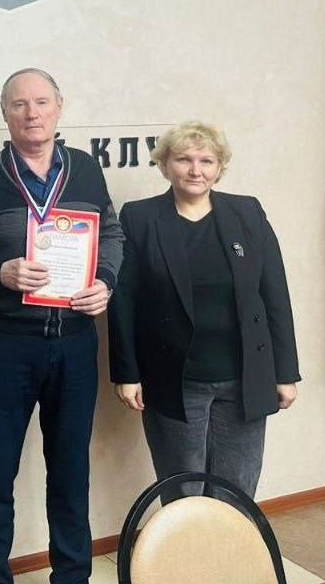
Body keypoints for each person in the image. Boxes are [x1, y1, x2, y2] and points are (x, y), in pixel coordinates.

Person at [0, 68, 122, 584]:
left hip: (74, 343)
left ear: (59, 107)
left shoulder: (86, 170)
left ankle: (72, 577)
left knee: (70, 470)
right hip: (4, 345)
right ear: (4, 113)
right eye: (20, 104)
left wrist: (106, 281)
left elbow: (112, 233)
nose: (32, 114)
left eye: (42, 102)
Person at [108, 120, 299, 500]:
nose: (196, 170)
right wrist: (126, 373)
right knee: (183, 489)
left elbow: (274, 293)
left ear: (219, 167)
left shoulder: (247, 212)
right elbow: (123, 301)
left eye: (206, 161)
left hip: (244, 377)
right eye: (184, 159)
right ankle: (187, 545)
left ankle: (229, 544)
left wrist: (285, 372)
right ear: (165, 165)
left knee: (237, 489)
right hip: (176, 380)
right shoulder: (140, 217)